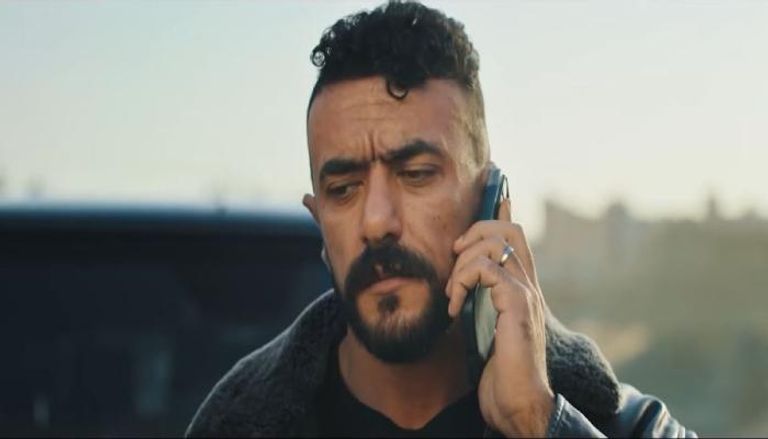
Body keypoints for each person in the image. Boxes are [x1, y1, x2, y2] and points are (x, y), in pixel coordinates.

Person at [186, 1, 695, 437]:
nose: (377, 223)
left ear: (492, 202)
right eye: (343, 190)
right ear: (320, 224)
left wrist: (539, 422)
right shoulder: (235, 424)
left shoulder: (627, 423)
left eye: (415, 175)